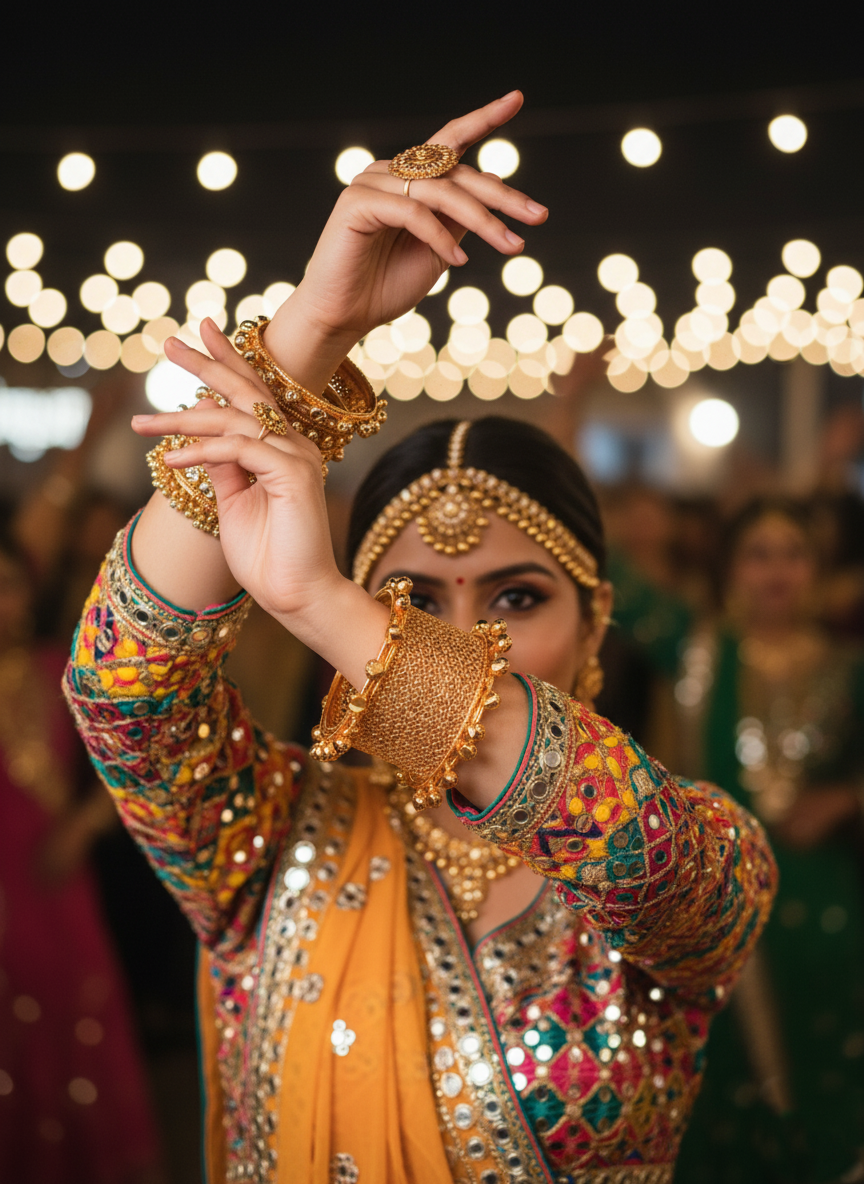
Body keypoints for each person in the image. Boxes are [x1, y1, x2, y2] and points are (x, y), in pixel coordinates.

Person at [63, 93, 776, 1182]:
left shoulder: (692, 856)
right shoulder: (263, 842)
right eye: (411, 595)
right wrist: (312, 328)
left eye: (515, 598)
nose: (464, 636)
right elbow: (124, 693)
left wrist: (329, 605)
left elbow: (624, 840)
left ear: (597, 619)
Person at [672, 499, 864, 1183]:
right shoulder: (699, 653)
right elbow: (610, 580)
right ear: (730, 569)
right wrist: (570, 411)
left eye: (793, 553)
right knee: (731, 1083)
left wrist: (847, 798)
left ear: (816, 570)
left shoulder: (850, 665)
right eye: (759, 552)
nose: (777, 570)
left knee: (829, 1069)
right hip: (724, 908)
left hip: (825, 906)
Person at [0, 533, 163, 1184]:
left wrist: (80, 828)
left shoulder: (64, 671)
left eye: (7, 585)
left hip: (52, 879)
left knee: (70, 1022)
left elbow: (132, 766)